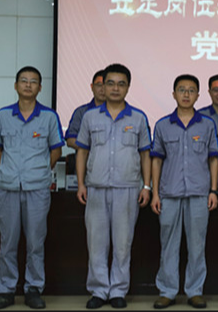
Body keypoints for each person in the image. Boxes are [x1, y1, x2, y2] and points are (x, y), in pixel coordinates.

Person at [75, 63, 152, 309]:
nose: (115, 88)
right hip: (96, 188)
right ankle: (98, 291)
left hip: (128, 188)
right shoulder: (90, 117)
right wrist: (80, 184)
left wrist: (147, 186)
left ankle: (118, 290)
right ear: (102, 86)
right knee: (96, 243)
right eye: (110, 83)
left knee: (122, 244)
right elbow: (82, 152)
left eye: (121, 84)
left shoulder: (138, 118)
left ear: (128, 87)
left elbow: (145, 155)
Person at [0, 66, 65, 310]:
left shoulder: (49, 117)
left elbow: (56, 150)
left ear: (40, 87)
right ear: (16, 85)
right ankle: (6, 290)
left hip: (37, 189)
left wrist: (39, 170)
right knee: (7, 242)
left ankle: (34, 289)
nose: (28, 85)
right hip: (8, 188)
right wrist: (9, 169)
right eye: (24, 80)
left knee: (35, 242)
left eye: (33, 81)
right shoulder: (3, 115)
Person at [150, 74, 218, 309]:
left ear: (198, 95)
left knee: (197, 245)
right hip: (169, 193)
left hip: (199, 193)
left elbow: (213, 159)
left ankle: (194, 291)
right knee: (168, 245)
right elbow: (157, 160)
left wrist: (213, 190)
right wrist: (155, 193)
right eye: (182, 90)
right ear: (174, 94)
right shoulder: (162, 125)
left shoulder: (207, 125)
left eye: (191, 90)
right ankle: (167, 291)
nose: (186, 94)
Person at [65, 69, 107, 149]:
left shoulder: (118, 112)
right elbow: (70, 140)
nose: (102, 89)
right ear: (92, 87)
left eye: (106, 85)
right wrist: (92, 150)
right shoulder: (81, 112)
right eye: (99, 85)